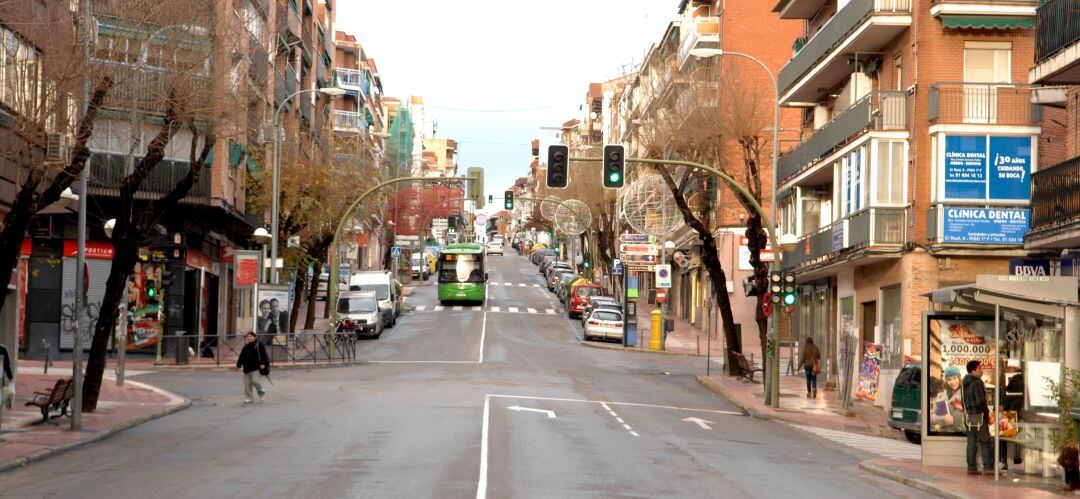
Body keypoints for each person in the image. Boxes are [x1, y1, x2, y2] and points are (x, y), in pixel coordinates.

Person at [963, 360, 993, 475]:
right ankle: (988, 467)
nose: (982, 370)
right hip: (978, 415)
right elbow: (980, 401)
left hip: (969, 415)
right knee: (985, 441)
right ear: (974, 370)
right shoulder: (977, 383)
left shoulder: (966, 382)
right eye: (980, 368)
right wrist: (986, 413)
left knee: (971, 442)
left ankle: (971, 467)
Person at [929, 365, 965, 433]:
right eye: (949, 379)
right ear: (946, 381)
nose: (953, 382)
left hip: (960, 436)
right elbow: (931, 416)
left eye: (955, 378)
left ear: (959, 378)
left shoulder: (966, 395)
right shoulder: (941, 396)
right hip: (943, 435)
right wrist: (941, 419)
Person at [236, 332, 268, 404]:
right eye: (248, 336)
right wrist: (238, 365)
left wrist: (263, 363)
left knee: (255, 381)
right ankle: (249, 398)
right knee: (247, 385)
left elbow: (264, 355)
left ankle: (262, 392)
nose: (249, 338)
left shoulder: (259, 345)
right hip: (247, 368)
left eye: (251, 336)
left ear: (255, 337)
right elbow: (241, 357)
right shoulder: (245, 347)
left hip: (256, 367)